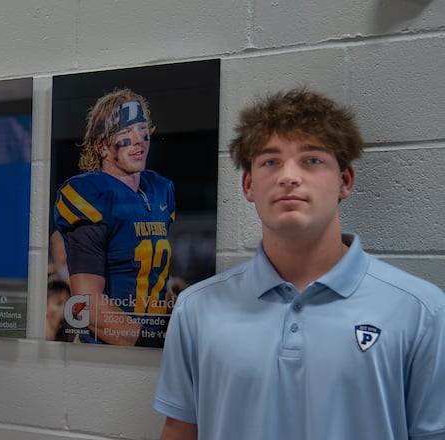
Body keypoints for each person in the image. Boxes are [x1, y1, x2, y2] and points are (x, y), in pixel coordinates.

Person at [153, 88, 445, 439]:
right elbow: (180, 430)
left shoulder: (421, 311)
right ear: (248, 185)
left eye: (311, 160)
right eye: (270, 161)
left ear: (345, 181)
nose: (288, 176)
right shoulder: (196, 309)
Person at [54, 88, 176, 348]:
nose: (139, 140)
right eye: (125, 134)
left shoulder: (160, 191)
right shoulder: (92, 194)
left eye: (143, 130)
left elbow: (153, 280)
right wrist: (149, 343)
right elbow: (86, 304)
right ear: (101, 146)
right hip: (106, 354)